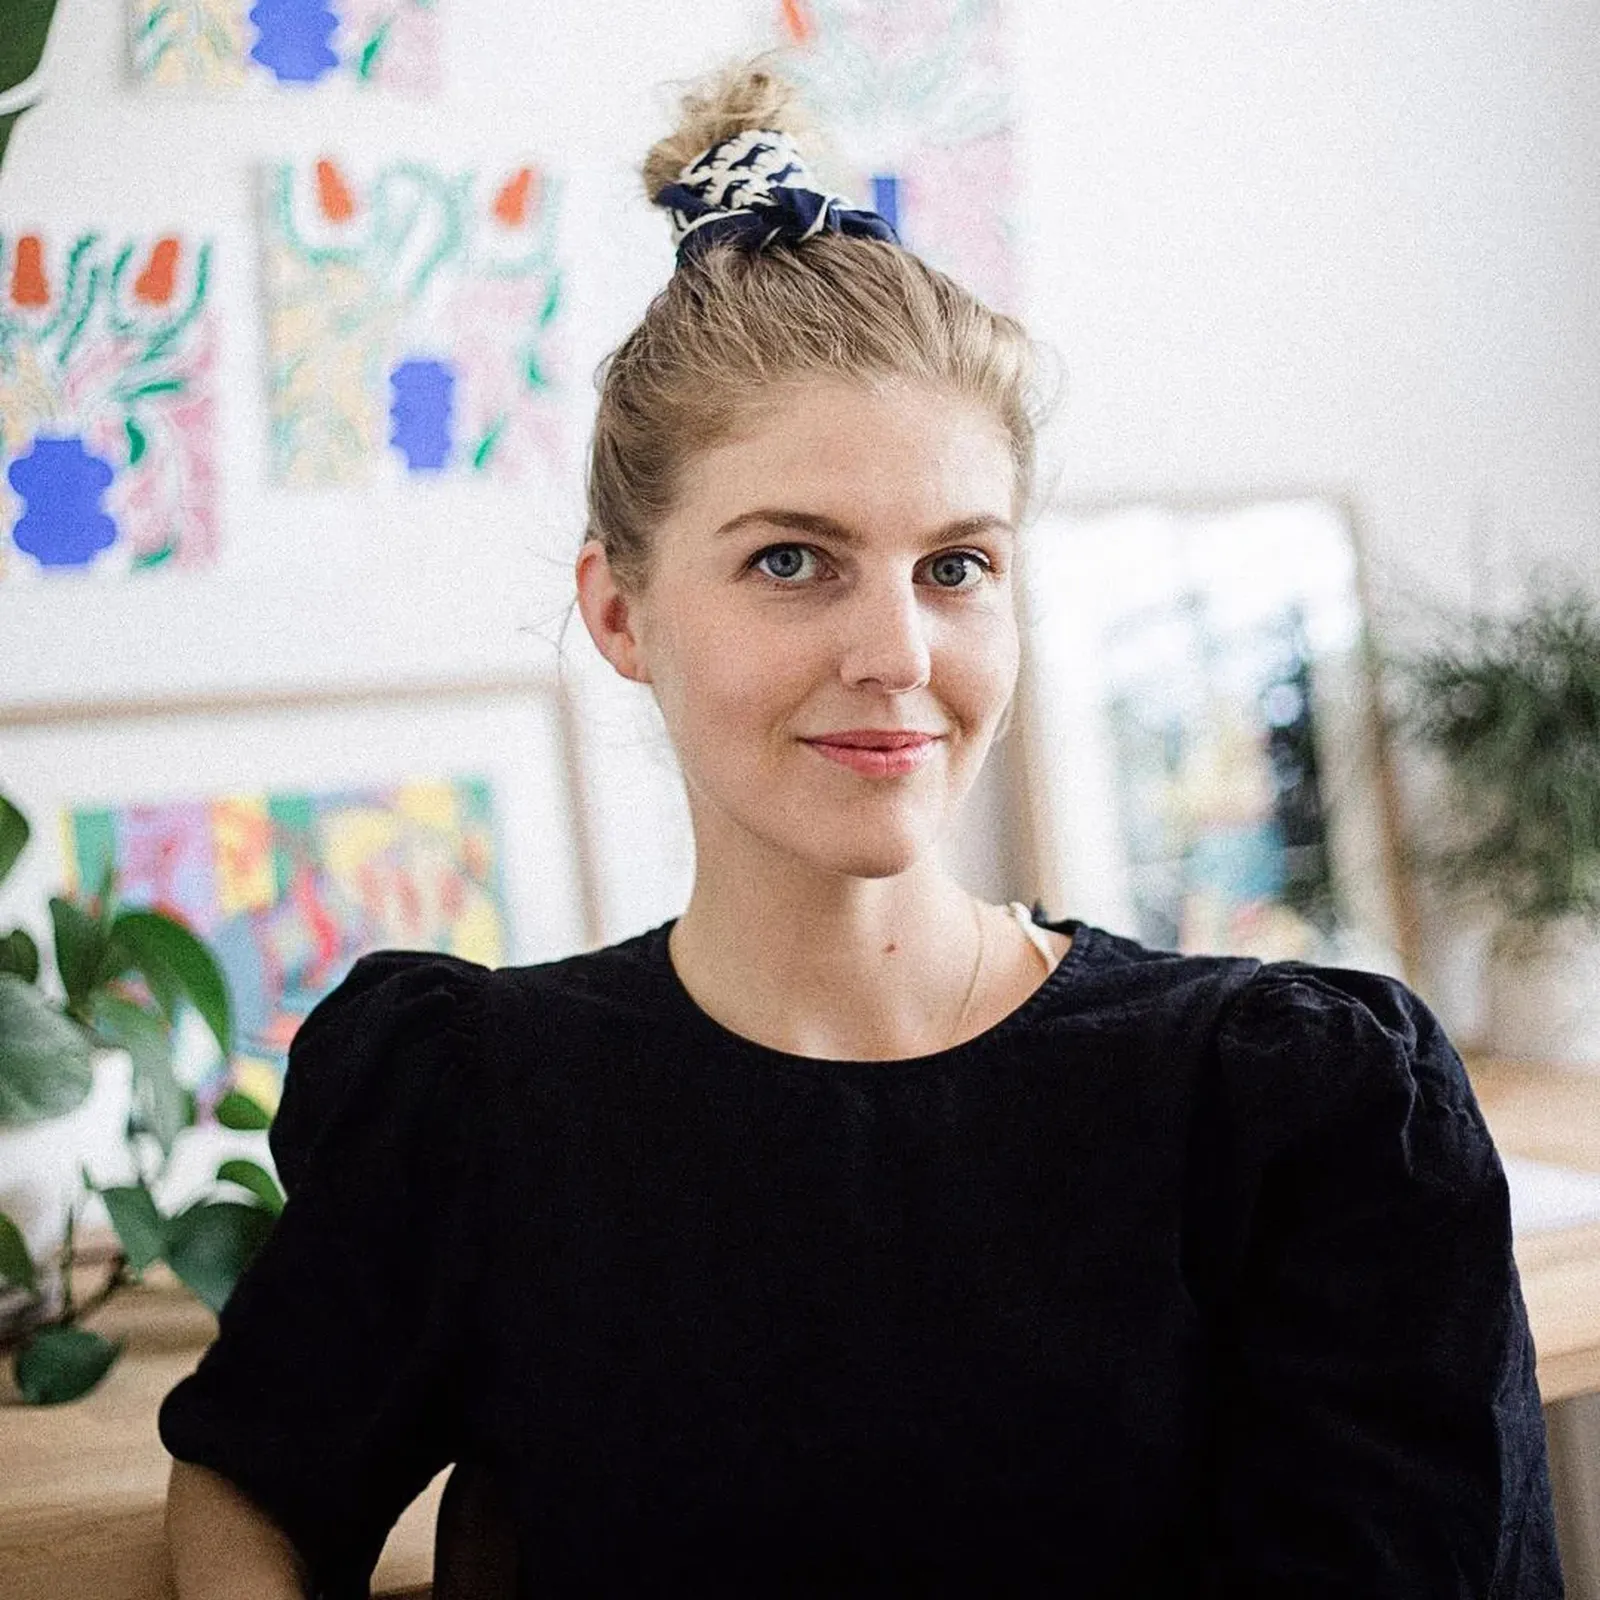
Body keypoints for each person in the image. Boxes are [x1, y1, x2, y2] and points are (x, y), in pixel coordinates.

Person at [159, 54, 1564, 1600]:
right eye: (791, 562)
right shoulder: (481, 1108)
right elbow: (250, 1479)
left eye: (957, 565)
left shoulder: (1298, 1114)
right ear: (619, 611)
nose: (897, 651)